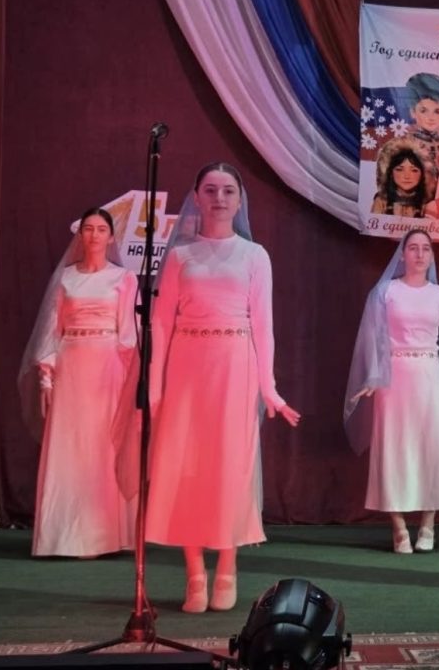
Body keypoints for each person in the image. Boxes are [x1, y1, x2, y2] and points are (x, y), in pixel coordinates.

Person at [144, 162, 300, 613]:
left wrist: (269, 388)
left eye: (228, 190)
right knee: (187, 466)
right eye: (210, 190)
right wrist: (154, 387)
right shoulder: (180, 256)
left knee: (230, 466)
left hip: (235, 367)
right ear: (196, 197)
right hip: (187, 369)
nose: (219, 198)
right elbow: (160, 323)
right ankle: (194, 573)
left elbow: (264, 326)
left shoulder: (255, 255)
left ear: (239, 199)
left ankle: (228, 566)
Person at [345, 229, 439, 554]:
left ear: (431, 256)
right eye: (413, 248)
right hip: (392, 379)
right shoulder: (386, 292)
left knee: (431, 448)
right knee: (393, 450)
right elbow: (375, 338)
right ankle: (398, 528)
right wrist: (373, 377)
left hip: (429, 376)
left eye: (426, 249)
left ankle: (428, 525)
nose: (420, 254)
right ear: (402, 254)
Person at [20, 207, 138, 558]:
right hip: (71, 367)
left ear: (111, 237)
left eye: (101, 229)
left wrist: (130, 385)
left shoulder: (124, 278)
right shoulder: (66, 278)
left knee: (103, 448)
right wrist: (46, 379)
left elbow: (128, 336)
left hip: (108, 371)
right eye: (88, 228)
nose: (94, 235)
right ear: (80, 234)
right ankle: (62, 538)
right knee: (69, 447)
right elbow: (51, 331)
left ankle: (104, 535)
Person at [370, 138, 437, 218]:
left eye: (414, 170)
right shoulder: (382, 201)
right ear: (390, 173)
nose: (407, 176)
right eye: (399, 170)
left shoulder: (427, 204)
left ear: (423, 175)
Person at [405, 72, 439, 164]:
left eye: (437, 111)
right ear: (413, 112)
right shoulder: (404, 144)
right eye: (423, 111)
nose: (431, 117)